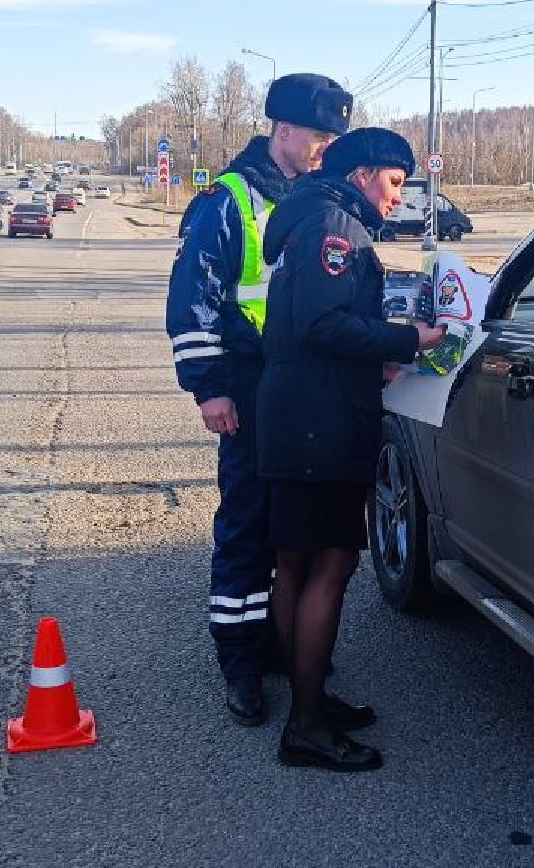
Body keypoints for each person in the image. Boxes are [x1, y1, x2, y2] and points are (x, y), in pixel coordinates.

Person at [166, 72, 354, 727]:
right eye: (318, 135)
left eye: (333, 138)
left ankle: (283, 643)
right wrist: (208, 390)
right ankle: (241, 661)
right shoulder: (228, 199)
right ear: (283, 129)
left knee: (290, 527)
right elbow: (192, 299)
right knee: (247, 527)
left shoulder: (313, 197)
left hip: (297, 392)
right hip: (245, 388)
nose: (324, 147)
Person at [256, 127, 445, 772]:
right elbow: (322, 323)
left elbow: (308, 325)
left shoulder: (307, 213)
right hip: (322, 423)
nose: (399, 198)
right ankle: (306, 725)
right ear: (365, 173)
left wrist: (376, 357)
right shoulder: (336, 225)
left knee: (293, 565)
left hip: (294, 412)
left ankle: (308, 699)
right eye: (395, 183)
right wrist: (407, 338)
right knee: (329, 567)